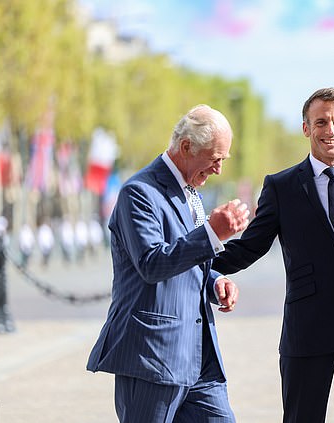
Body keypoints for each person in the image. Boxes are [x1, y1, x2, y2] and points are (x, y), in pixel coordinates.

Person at [212, 88, 334, 423]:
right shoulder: (281, 186)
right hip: (307, 331)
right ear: (306, 128)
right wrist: (195, 257)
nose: (330, 130)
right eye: (320, 121)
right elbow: (251, 247)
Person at [87, 104, 250, 423]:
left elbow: (187, 261)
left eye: (223, 160)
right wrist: (212, 234)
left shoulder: (193, 193)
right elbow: (152, 263)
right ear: (187, 147)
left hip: (199, 359)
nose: (218, 169)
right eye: (215, 158)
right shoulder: (139, 193)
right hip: (153, 356)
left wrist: (214, 282)